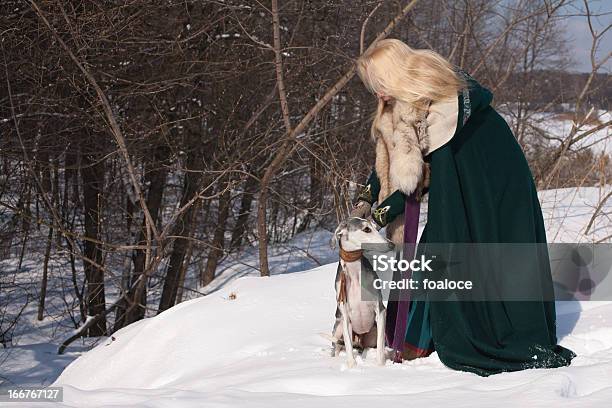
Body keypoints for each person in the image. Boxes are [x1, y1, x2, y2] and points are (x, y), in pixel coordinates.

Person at [348, 38, 575, 376]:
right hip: (461, 179)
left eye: (380, 84)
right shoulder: (402, 102)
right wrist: (368, 195)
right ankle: (415, 336)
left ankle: (475, 331)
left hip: (493, 177)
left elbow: (420, 173)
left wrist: (387, 208)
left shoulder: (443, 102)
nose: (378, 94)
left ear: (396, 76)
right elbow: (396, 156)